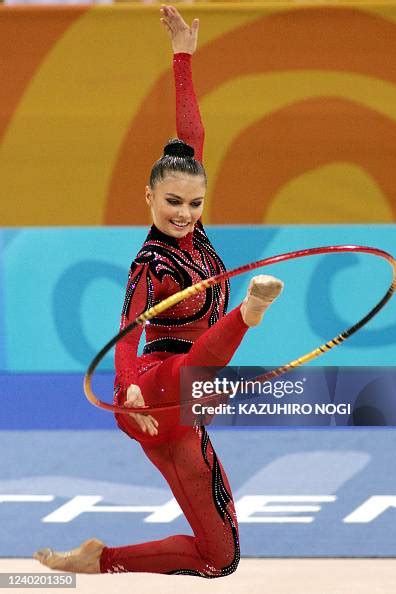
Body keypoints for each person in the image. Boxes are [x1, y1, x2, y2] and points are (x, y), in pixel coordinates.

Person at [34, 4, 283, 577]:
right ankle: (250, 312)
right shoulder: (152, 261)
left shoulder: (195, 229)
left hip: (184, 414)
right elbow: (127, 332)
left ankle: (102, 561)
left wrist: (182, 57)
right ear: (148, 198)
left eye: (195, 203)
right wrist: (129, 390)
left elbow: (190, 139)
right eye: (172, 202)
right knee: (195, 369)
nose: (185, 213)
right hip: (155, 390)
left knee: (221, 559)